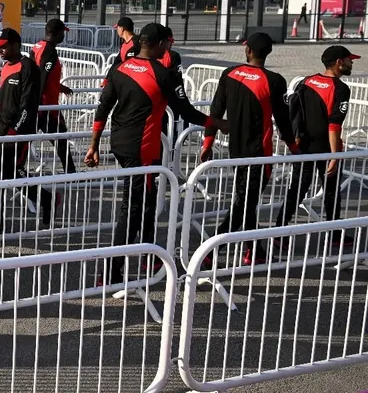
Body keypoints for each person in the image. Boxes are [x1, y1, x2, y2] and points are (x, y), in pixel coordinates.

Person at [86, 23, 228, 283]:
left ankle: (148, 258)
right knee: (133, 207)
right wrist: (217, 123)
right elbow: (186, 112)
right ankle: (110, 271)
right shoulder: (163, 74)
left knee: (148, 202)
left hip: (120, 144)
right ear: (161, 44)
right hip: (141, 148)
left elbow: (103, 106)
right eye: (167, 43)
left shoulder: (120, 68)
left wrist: (94, 144)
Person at [200, 33, 298, 264]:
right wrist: (295, 149)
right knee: (244, 204)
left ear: (248, 51)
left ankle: (255, 250)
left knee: (246, 201)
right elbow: (283, 120)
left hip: (236, 152)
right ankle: (210, 249)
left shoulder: (229, 74)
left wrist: (207, 143)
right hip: (259, 155)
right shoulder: (274, 80)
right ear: (268, 52)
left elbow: (215, 112)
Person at [275, 46, 357, 246]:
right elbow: (334, 125)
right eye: (349, 60)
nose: (351, 63)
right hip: (325, 148)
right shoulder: (340, 88)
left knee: (297, 189)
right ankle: (334, 234)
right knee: (331, 192)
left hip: (303, 145)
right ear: (339, 62)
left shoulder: (307, 81)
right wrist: (335, 156)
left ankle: (279, 232)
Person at [0, 28, 46, 233]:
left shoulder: (29, 68)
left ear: (15, 45)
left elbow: (28, 106)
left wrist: (15, 131)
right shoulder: (5, 67)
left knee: (11, 173)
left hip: (18, 132)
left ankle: (46, 197)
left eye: (3, 47)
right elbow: (5, 103)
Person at [32, 19, 78, 174]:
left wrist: (59, 87)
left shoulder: (37, 46)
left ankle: (13, 171)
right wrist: (38, 106)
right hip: (46, 107)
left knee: (25, 141)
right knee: (61, 141)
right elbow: (42, 76)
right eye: (63, 33)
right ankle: (71, 174)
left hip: (40, 105)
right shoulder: (50, 51)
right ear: (56, 33)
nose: (64, 36)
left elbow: (37, 74)